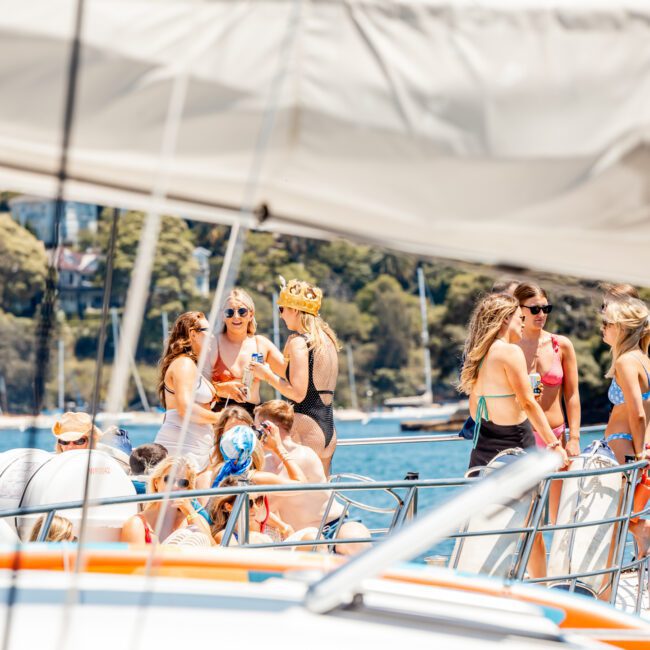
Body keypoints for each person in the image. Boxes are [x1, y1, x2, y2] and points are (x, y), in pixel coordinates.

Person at [459, 293, 569, 471]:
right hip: (515, 446)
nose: (524, 323)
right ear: (505, 320)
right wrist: (554, 445)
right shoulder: (511, 352)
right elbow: (528, 403)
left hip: (482, 451)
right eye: (521, 318)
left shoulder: (477, 355)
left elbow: (474, 412)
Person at [255, 400, 371, 556]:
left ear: (267, 428)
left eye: (256, 428)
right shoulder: (265, 463)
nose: (255, 435)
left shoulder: (303, 456)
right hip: (303, 537)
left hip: (334, 526)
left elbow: (268, 502)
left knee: (356, 541)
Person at [251, 278, 341, 474]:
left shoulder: (299, 342)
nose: (281, 316)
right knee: (321, 498)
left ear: (295, 310)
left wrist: (266, 376)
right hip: (328, 429)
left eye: (282, 309)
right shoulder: (327, 340)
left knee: (297, 494)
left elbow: (298, 394)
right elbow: (307, 378)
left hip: (305, 425)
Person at [154, 311, 234, 471]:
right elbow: (185, 408)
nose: (212, 336)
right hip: (181, 450)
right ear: (193, 334)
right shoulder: (183, 364)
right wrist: (218, 417)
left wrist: (221, 389)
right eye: (208, 331)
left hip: (194, 449)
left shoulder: (190, 366)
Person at [601, 298, 650, 556]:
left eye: (607, 323)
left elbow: (638, 413)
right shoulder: (644, 359)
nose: (602, 328)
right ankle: (642, 534)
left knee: (612, 514)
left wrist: (640, 453)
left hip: (623, 443)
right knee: (623, 513)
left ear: (622, 328)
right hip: (633, 443)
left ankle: (604, 582)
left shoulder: (626, 362)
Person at [514, 283, 581, 455]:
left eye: (546, 308)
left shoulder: (561, 345)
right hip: (519, 439)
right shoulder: (509, 347)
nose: (542, 314)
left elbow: (572, 395)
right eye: (535, 309)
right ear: (519, 309)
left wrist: (574, 438)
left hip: (556, 436)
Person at [210, 288, 285, 417]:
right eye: (229, 312)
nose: (236, 316)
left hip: (251, 417)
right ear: (222, 316)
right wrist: (221, 388)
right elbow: (193, 384)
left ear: (251, 314)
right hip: (218, 418)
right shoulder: (211, 344)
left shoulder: (261, 345)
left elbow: (291, 376)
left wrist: (268, 375)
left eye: (242, 311)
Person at [120, 456, 212, 545]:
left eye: (183, 483)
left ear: (188, 489)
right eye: (169, 479)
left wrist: (190, 512)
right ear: (156, 483)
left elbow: (213, 552)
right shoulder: (137, 525)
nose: (176, 487)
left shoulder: (197, 519)